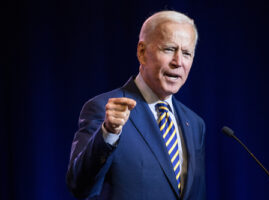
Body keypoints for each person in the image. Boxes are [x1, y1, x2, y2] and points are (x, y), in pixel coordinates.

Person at [66, 10, 206, 200]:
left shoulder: (195, 123)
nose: (178, 62)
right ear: (142, 53)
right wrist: (108, 132)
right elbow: (80, 186)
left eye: (187, 53)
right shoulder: (103, 109)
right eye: (169, 49)